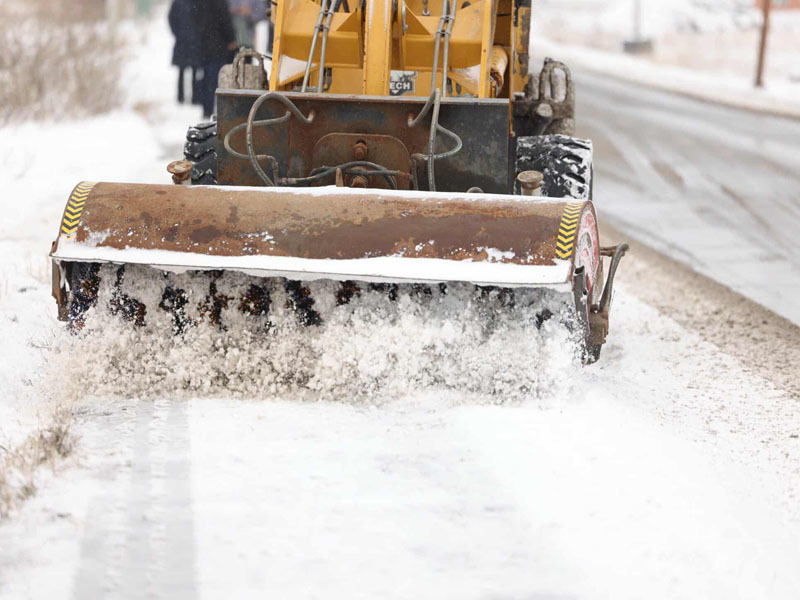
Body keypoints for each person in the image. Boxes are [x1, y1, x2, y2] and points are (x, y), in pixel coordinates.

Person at [195, 0, 238, 118]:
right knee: (214, 78)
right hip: (218, 44)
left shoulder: (199, 3)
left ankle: (206, 108)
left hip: (203, 44)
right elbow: (224, 20)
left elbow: (194, 19)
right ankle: (215, 109)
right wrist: (231, 39)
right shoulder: (220, 2)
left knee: (205, 76)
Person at [168, 0, 201, 104]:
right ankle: (193, 97)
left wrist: (177, 33)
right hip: (191, 41)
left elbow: (171, 18)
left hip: (185, 40)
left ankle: (182, 97)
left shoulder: (177, 2)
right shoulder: (195, 3)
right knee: (192, 71)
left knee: (184, 71)